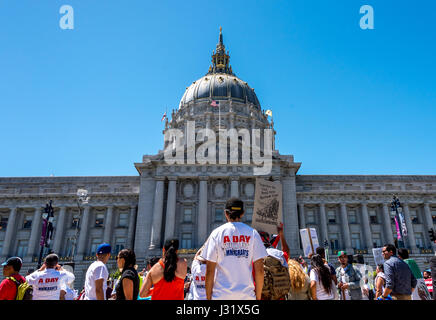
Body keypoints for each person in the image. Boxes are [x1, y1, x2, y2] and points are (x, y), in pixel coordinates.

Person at [201, 197, 267, 300]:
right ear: (242, 213)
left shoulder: (216, 234)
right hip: (246, 295)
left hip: (221, 296)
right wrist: (258, 297)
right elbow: (259, 270)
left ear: (226, 213)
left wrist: (208, 297)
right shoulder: (253, 233)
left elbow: (210, 271)